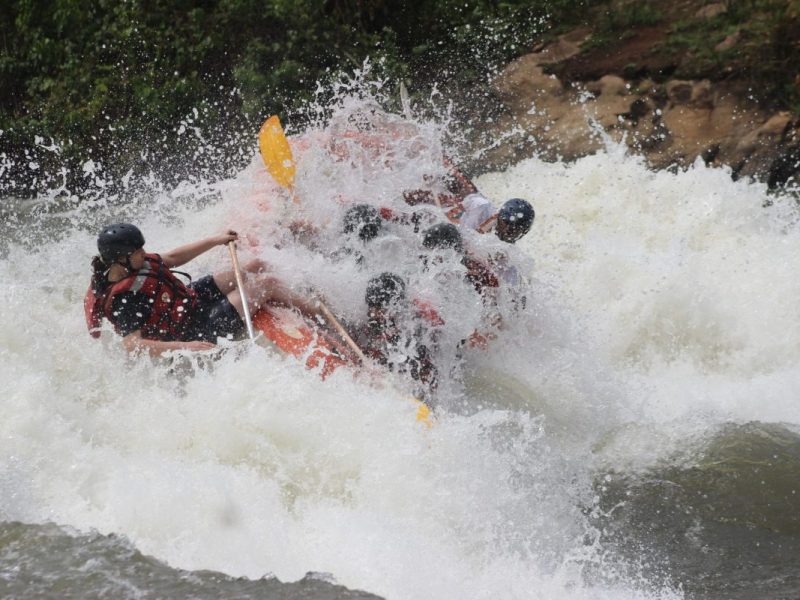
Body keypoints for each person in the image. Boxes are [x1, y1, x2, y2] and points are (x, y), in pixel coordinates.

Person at [84, 223, 314, 356]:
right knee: (267, 283)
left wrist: (216, 240)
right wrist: (187, 346)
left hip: (188, 301)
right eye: (137, 252)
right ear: (120, 259)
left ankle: (302, 292)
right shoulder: (125, 300)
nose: (144, 254)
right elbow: (132, 345)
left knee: (256, 265)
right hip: (192, 330)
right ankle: (318, 312)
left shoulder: (133, 263)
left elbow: (173, 257)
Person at [359, 272, 442, 394]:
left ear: (396, 306)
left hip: (423, 369)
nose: (374, 313)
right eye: (372, 306)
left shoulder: (418, 323)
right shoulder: (373, 321)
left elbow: (431, 365)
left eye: (380, 308)